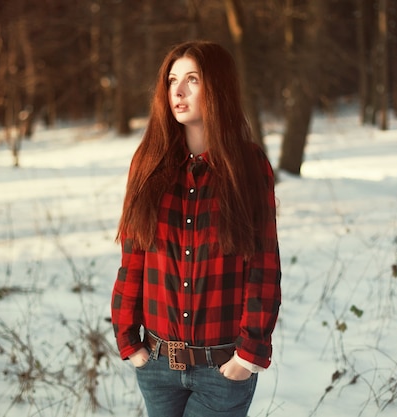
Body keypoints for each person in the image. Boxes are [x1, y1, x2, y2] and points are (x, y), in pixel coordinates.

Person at [111, 40, 281, 417]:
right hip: (156, 364)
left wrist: (248, 355)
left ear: (217, 88)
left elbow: (263, 265)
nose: (178, 91)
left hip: (222, 369)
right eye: (172, 80)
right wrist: (129, 339)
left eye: (192, 79)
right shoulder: (148, 162)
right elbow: (132, 255)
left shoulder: (249, 167)